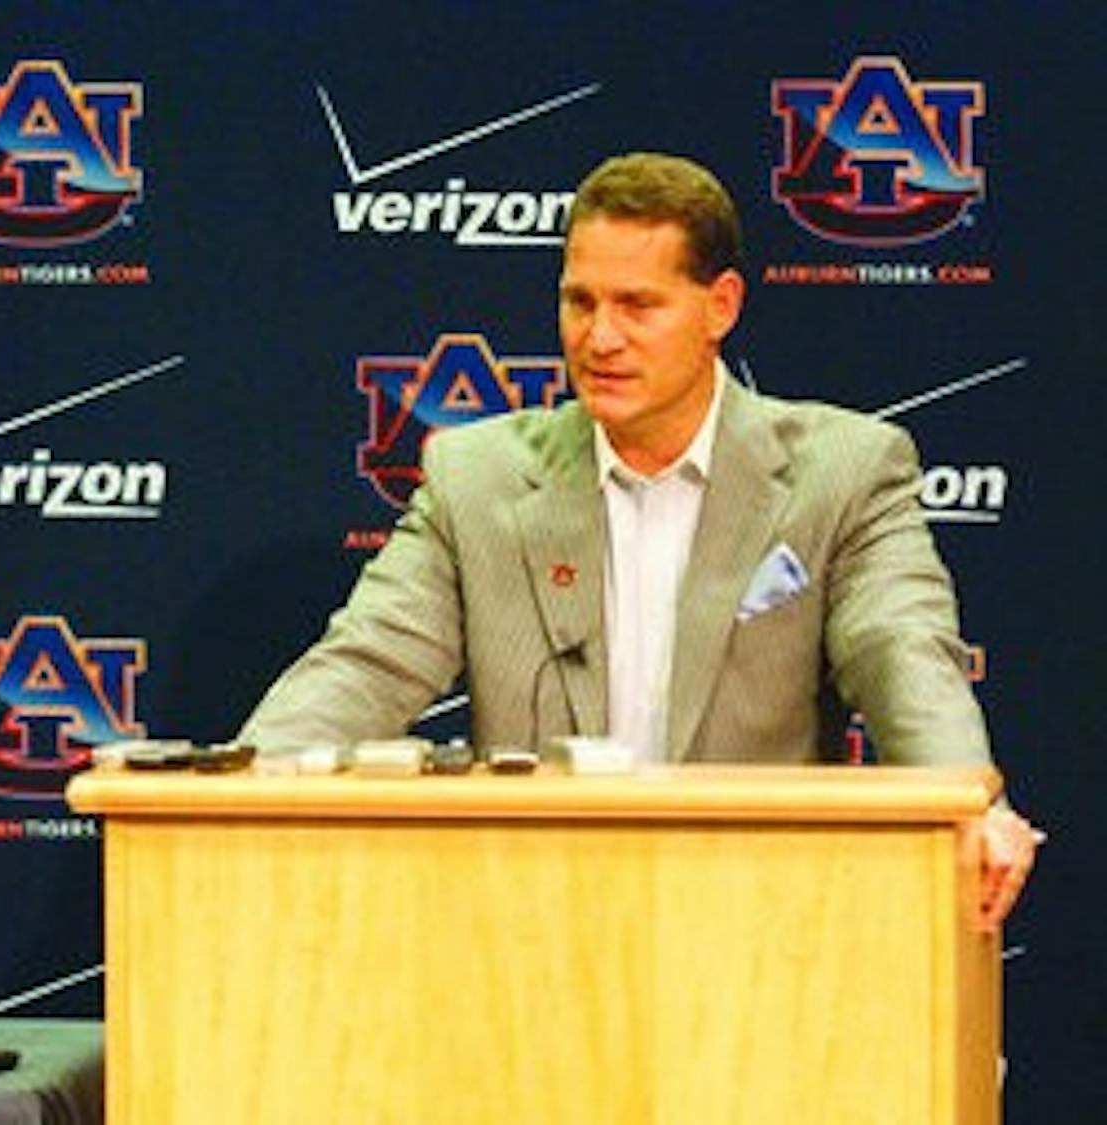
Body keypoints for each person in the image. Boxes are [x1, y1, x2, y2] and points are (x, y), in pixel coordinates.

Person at [239, 152, 1035, 929]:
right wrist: (241, 786)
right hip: (530, 923)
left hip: (757, 925)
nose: (600, 338)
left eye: (637, 305)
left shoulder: (845, 472)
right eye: (579, 302)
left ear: (720, 306)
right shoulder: (474, 478)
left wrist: (973, 800)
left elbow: (900, 651)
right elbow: (369, 660)